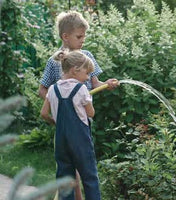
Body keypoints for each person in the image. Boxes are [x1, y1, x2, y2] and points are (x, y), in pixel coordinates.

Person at [38, 11, 118, 200]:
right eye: (79, 36)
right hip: (66, 122)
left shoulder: (86, 56)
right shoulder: (55, 61)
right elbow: (43, 90)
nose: (83, 40)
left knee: (74, 168)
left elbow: (94, 83)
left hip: (82, 122)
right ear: (65, 37)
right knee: (78, 170)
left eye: (84, 36)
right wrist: (58, 109)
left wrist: (107, 85)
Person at [41, 50, 101, 200]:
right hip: (80, 142)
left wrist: (56, 123)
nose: (87, 78)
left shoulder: (53, 89)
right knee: (89, 178)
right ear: (75, 70)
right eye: (87, 74)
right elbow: (91, 113)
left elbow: (43, 113)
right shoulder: (81, 89)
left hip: (61, 142)